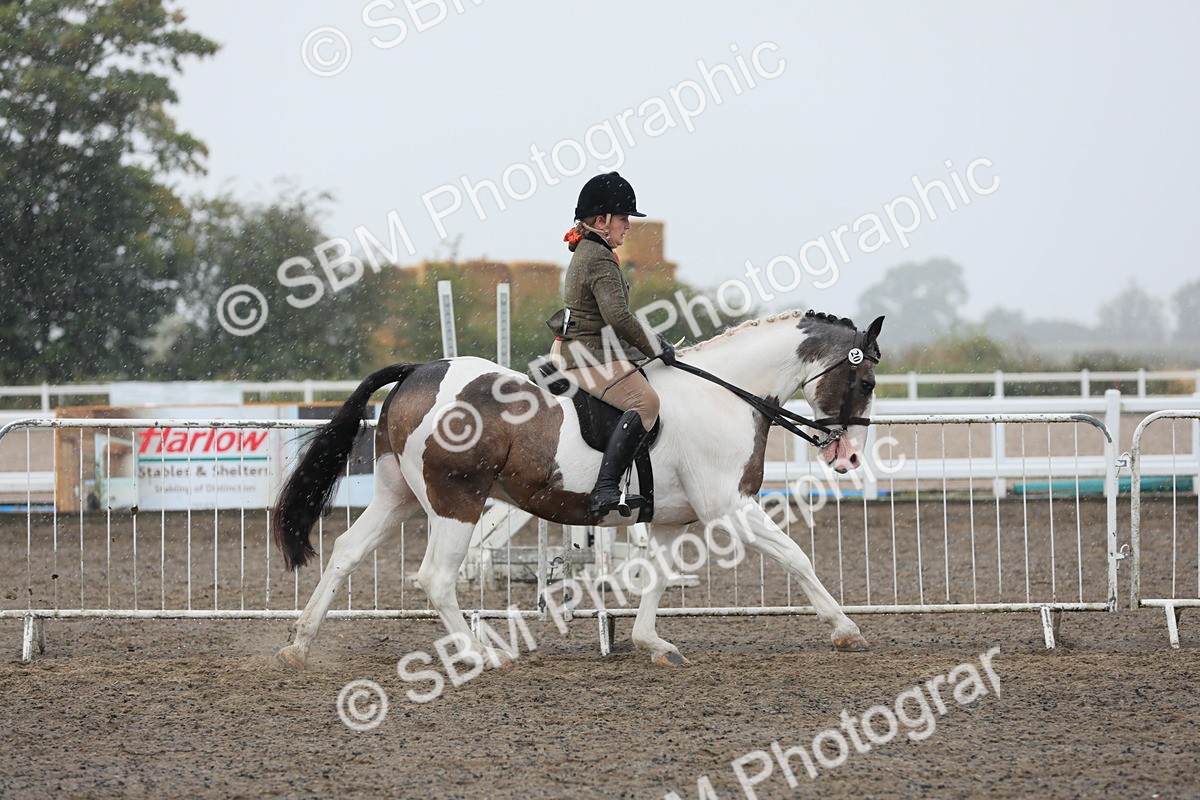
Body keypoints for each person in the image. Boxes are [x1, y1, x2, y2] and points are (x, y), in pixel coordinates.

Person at [547, 172, 675, 515]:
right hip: (590, 355)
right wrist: (655, 346)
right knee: (646, 403)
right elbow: (618, 317)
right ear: (601, 221)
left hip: (590, 349)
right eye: (623, 219)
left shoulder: (591, 251)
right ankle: (605, 487)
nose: (627, 226)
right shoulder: (599, 257)